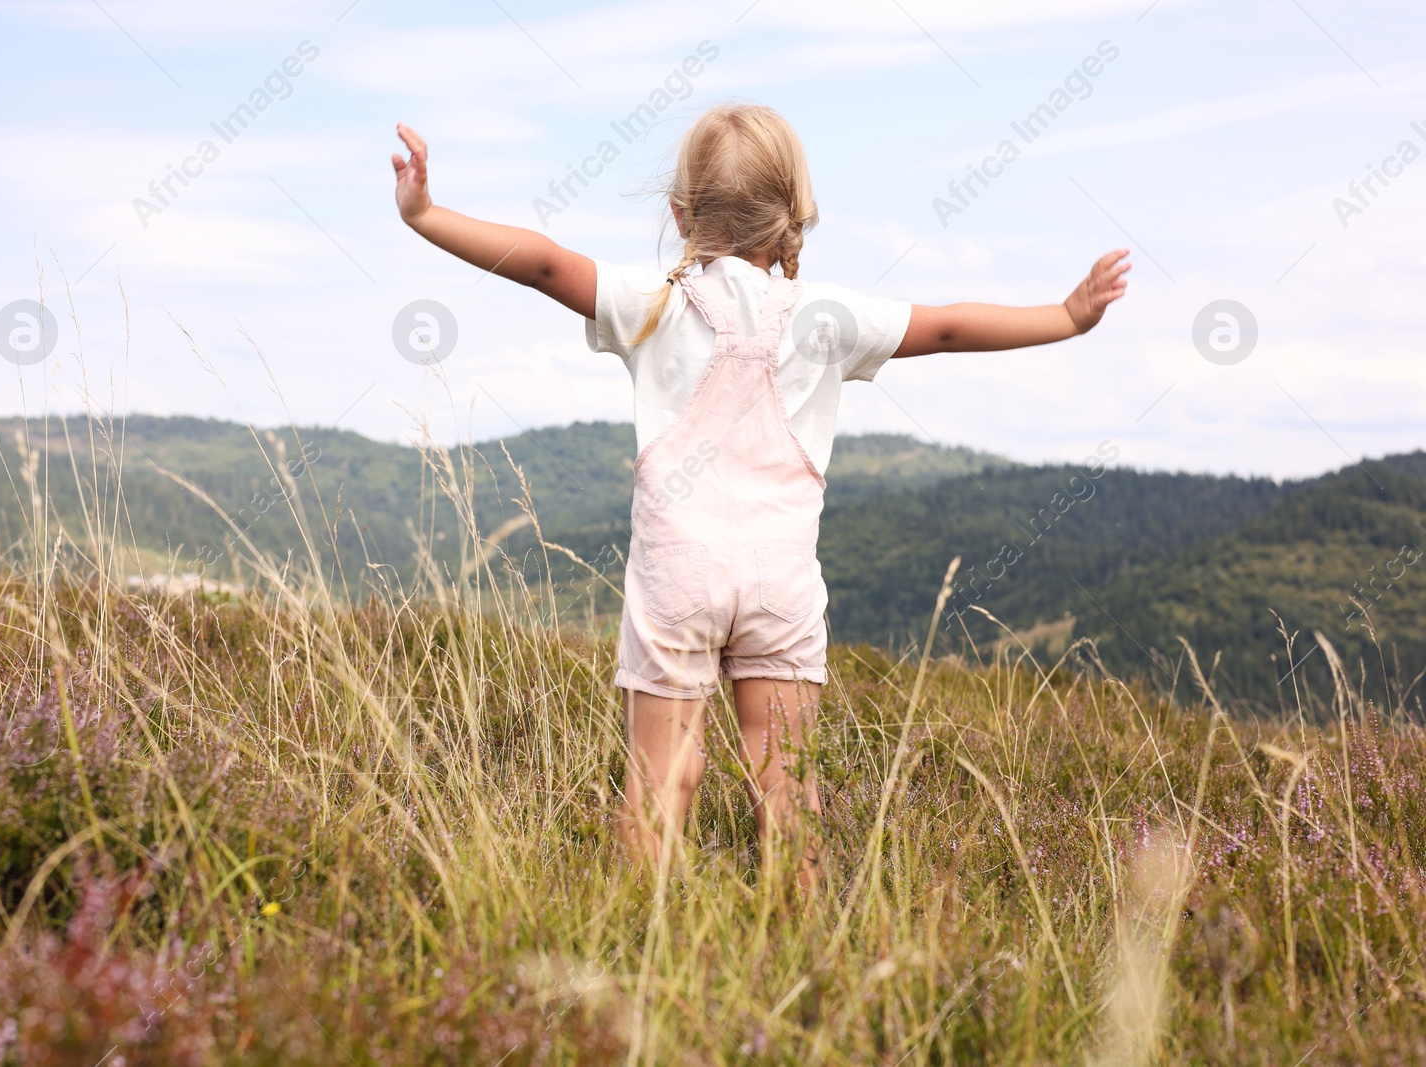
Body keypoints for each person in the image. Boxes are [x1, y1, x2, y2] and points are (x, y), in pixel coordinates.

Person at [391, 104, 1128, 890]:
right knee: (787, 787)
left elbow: (542, 262)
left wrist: (427, 213)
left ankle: (641, 940)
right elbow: (945, 327)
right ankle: (802, 939)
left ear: (679, 214)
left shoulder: (655, 301)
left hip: (679, 577)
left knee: (660, 779)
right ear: (794, 217)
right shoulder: (827, 316)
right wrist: (1069, 316)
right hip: (779, 579)